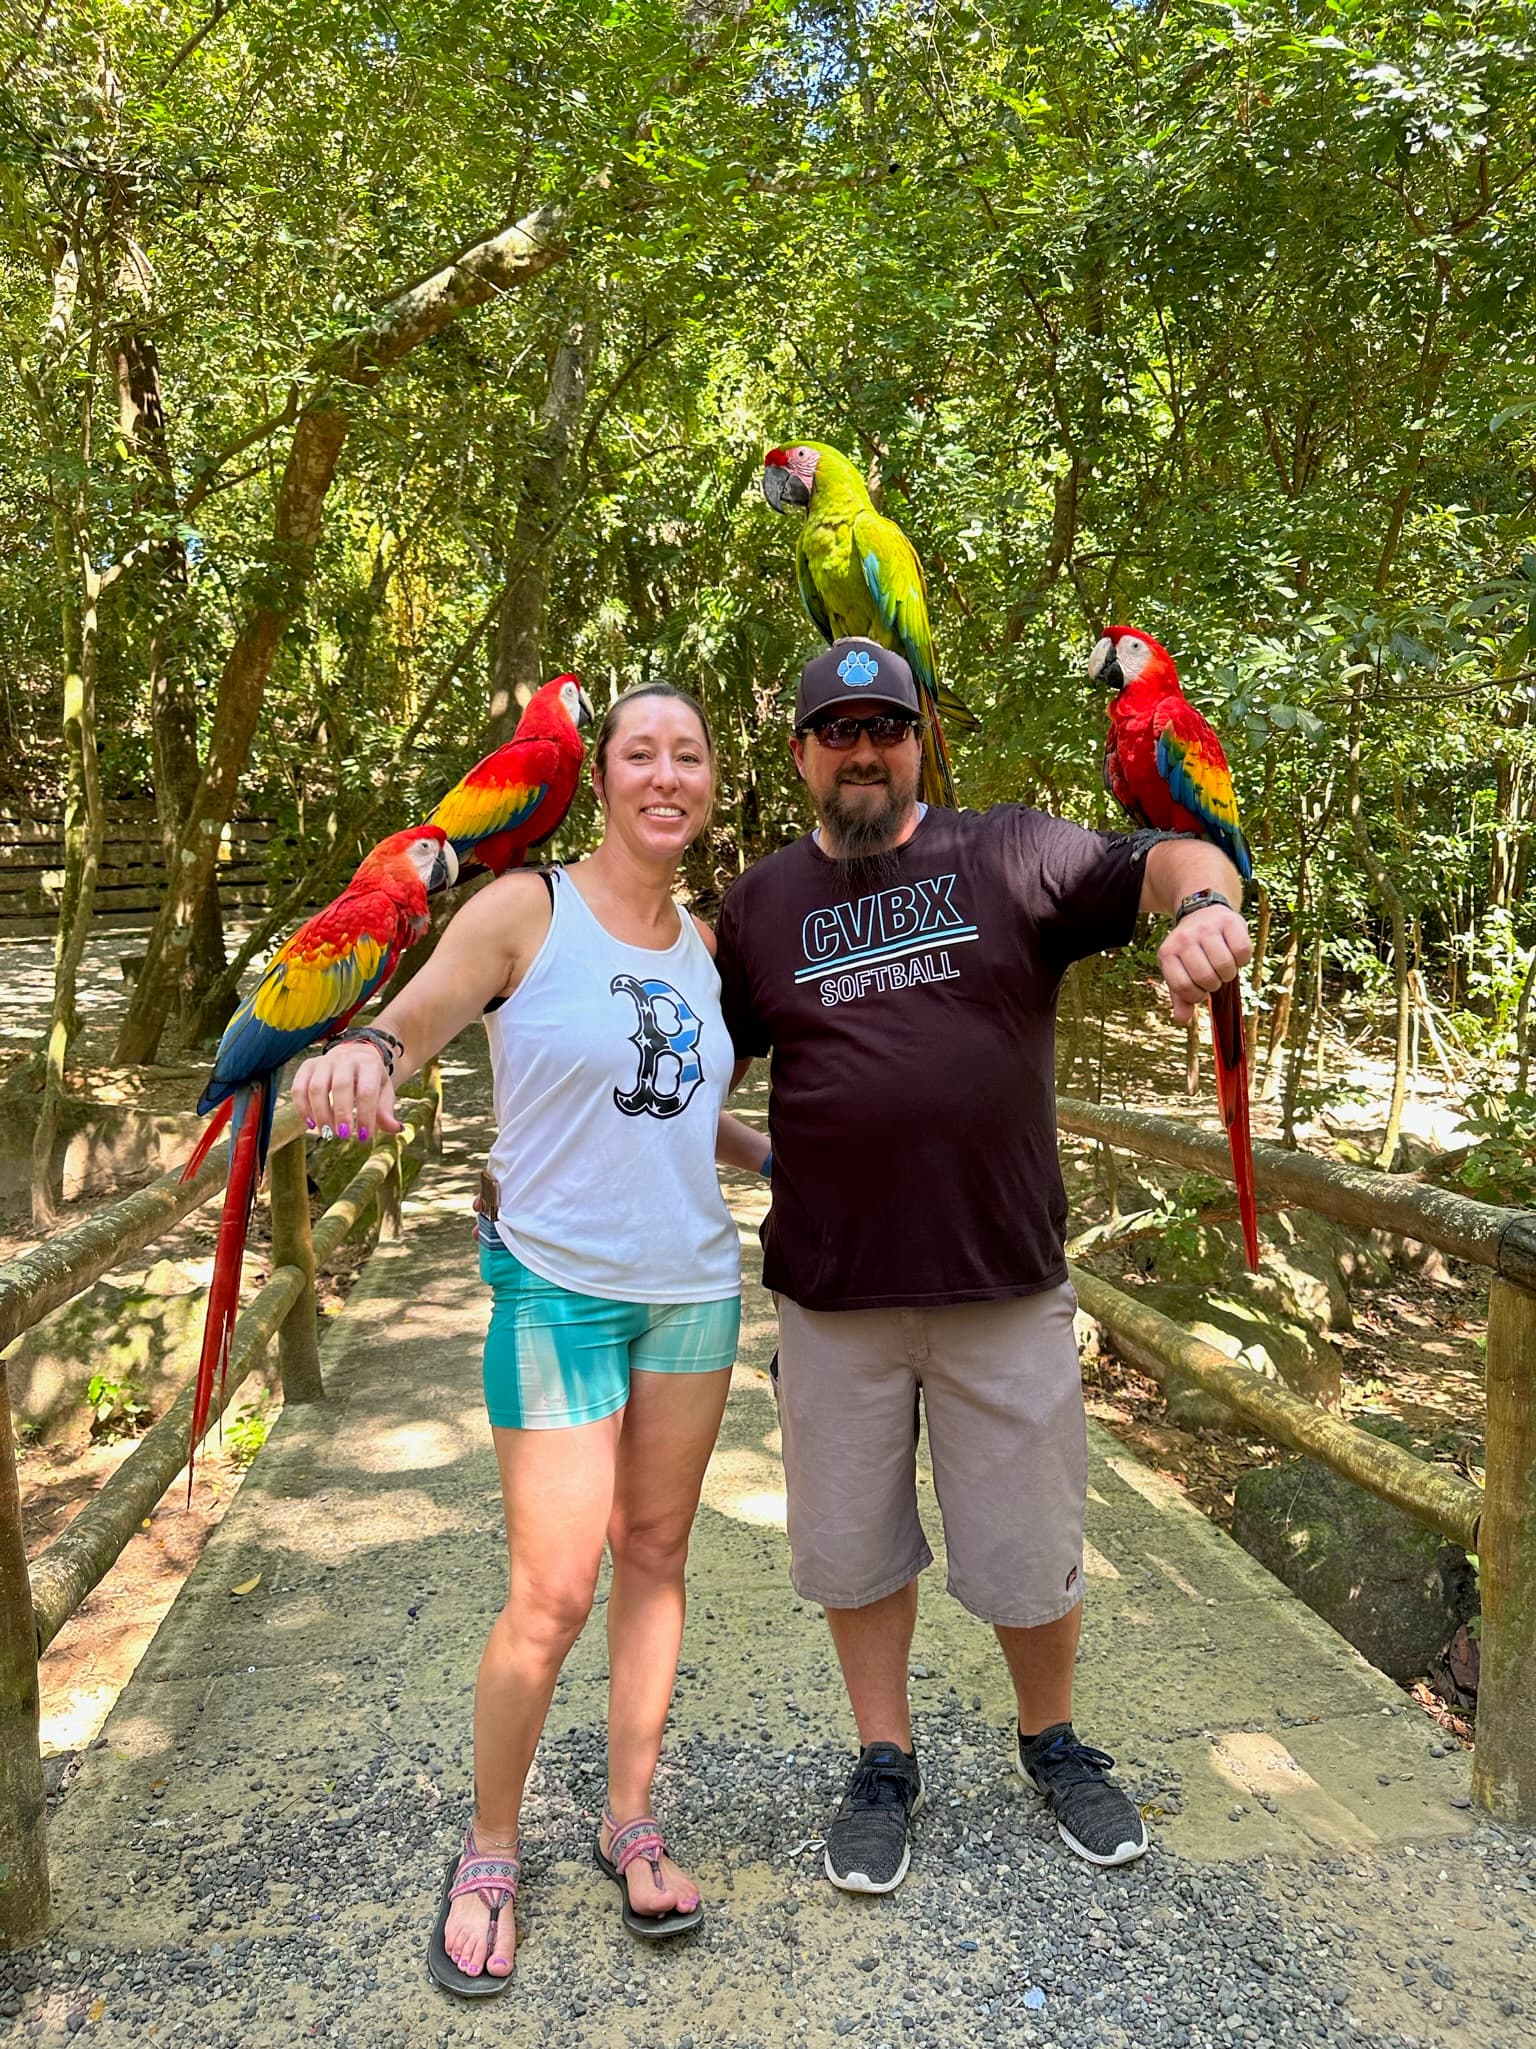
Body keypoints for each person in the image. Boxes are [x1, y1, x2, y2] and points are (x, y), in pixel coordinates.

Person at [714, 636, 1252, 1890]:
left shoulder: (1008, 850)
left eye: (885, 727)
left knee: (1027, 1542)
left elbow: (1168, 857)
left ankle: (1053, 1742)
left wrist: (1208, 907)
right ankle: (883, 1759)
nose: (863, 751)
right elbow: (682, 1074)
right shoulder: (758, 904)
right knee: (852, 1549)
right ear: (801, 755)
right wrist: (734, 1153)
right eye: (836, 731)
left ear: (919, 744)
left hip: (1001, 1281)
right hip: (835, 1295)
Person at [293, 683, 769, 1994]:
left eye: (690, 754)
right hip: (555, 1290)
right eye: (640, 752)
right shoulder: (527, 908)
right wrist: (368, 1051)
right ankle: (492, 1844)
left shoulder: (713, 951)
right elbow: (426, 1009)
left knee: (659, 1554)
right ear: (600, 776)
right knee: (553, 1593)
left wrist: (772, 1152)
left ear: (710, 783)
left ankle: (630, 1817)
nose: (665, 773)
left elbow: (679, 1104)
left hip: (693, 1290)